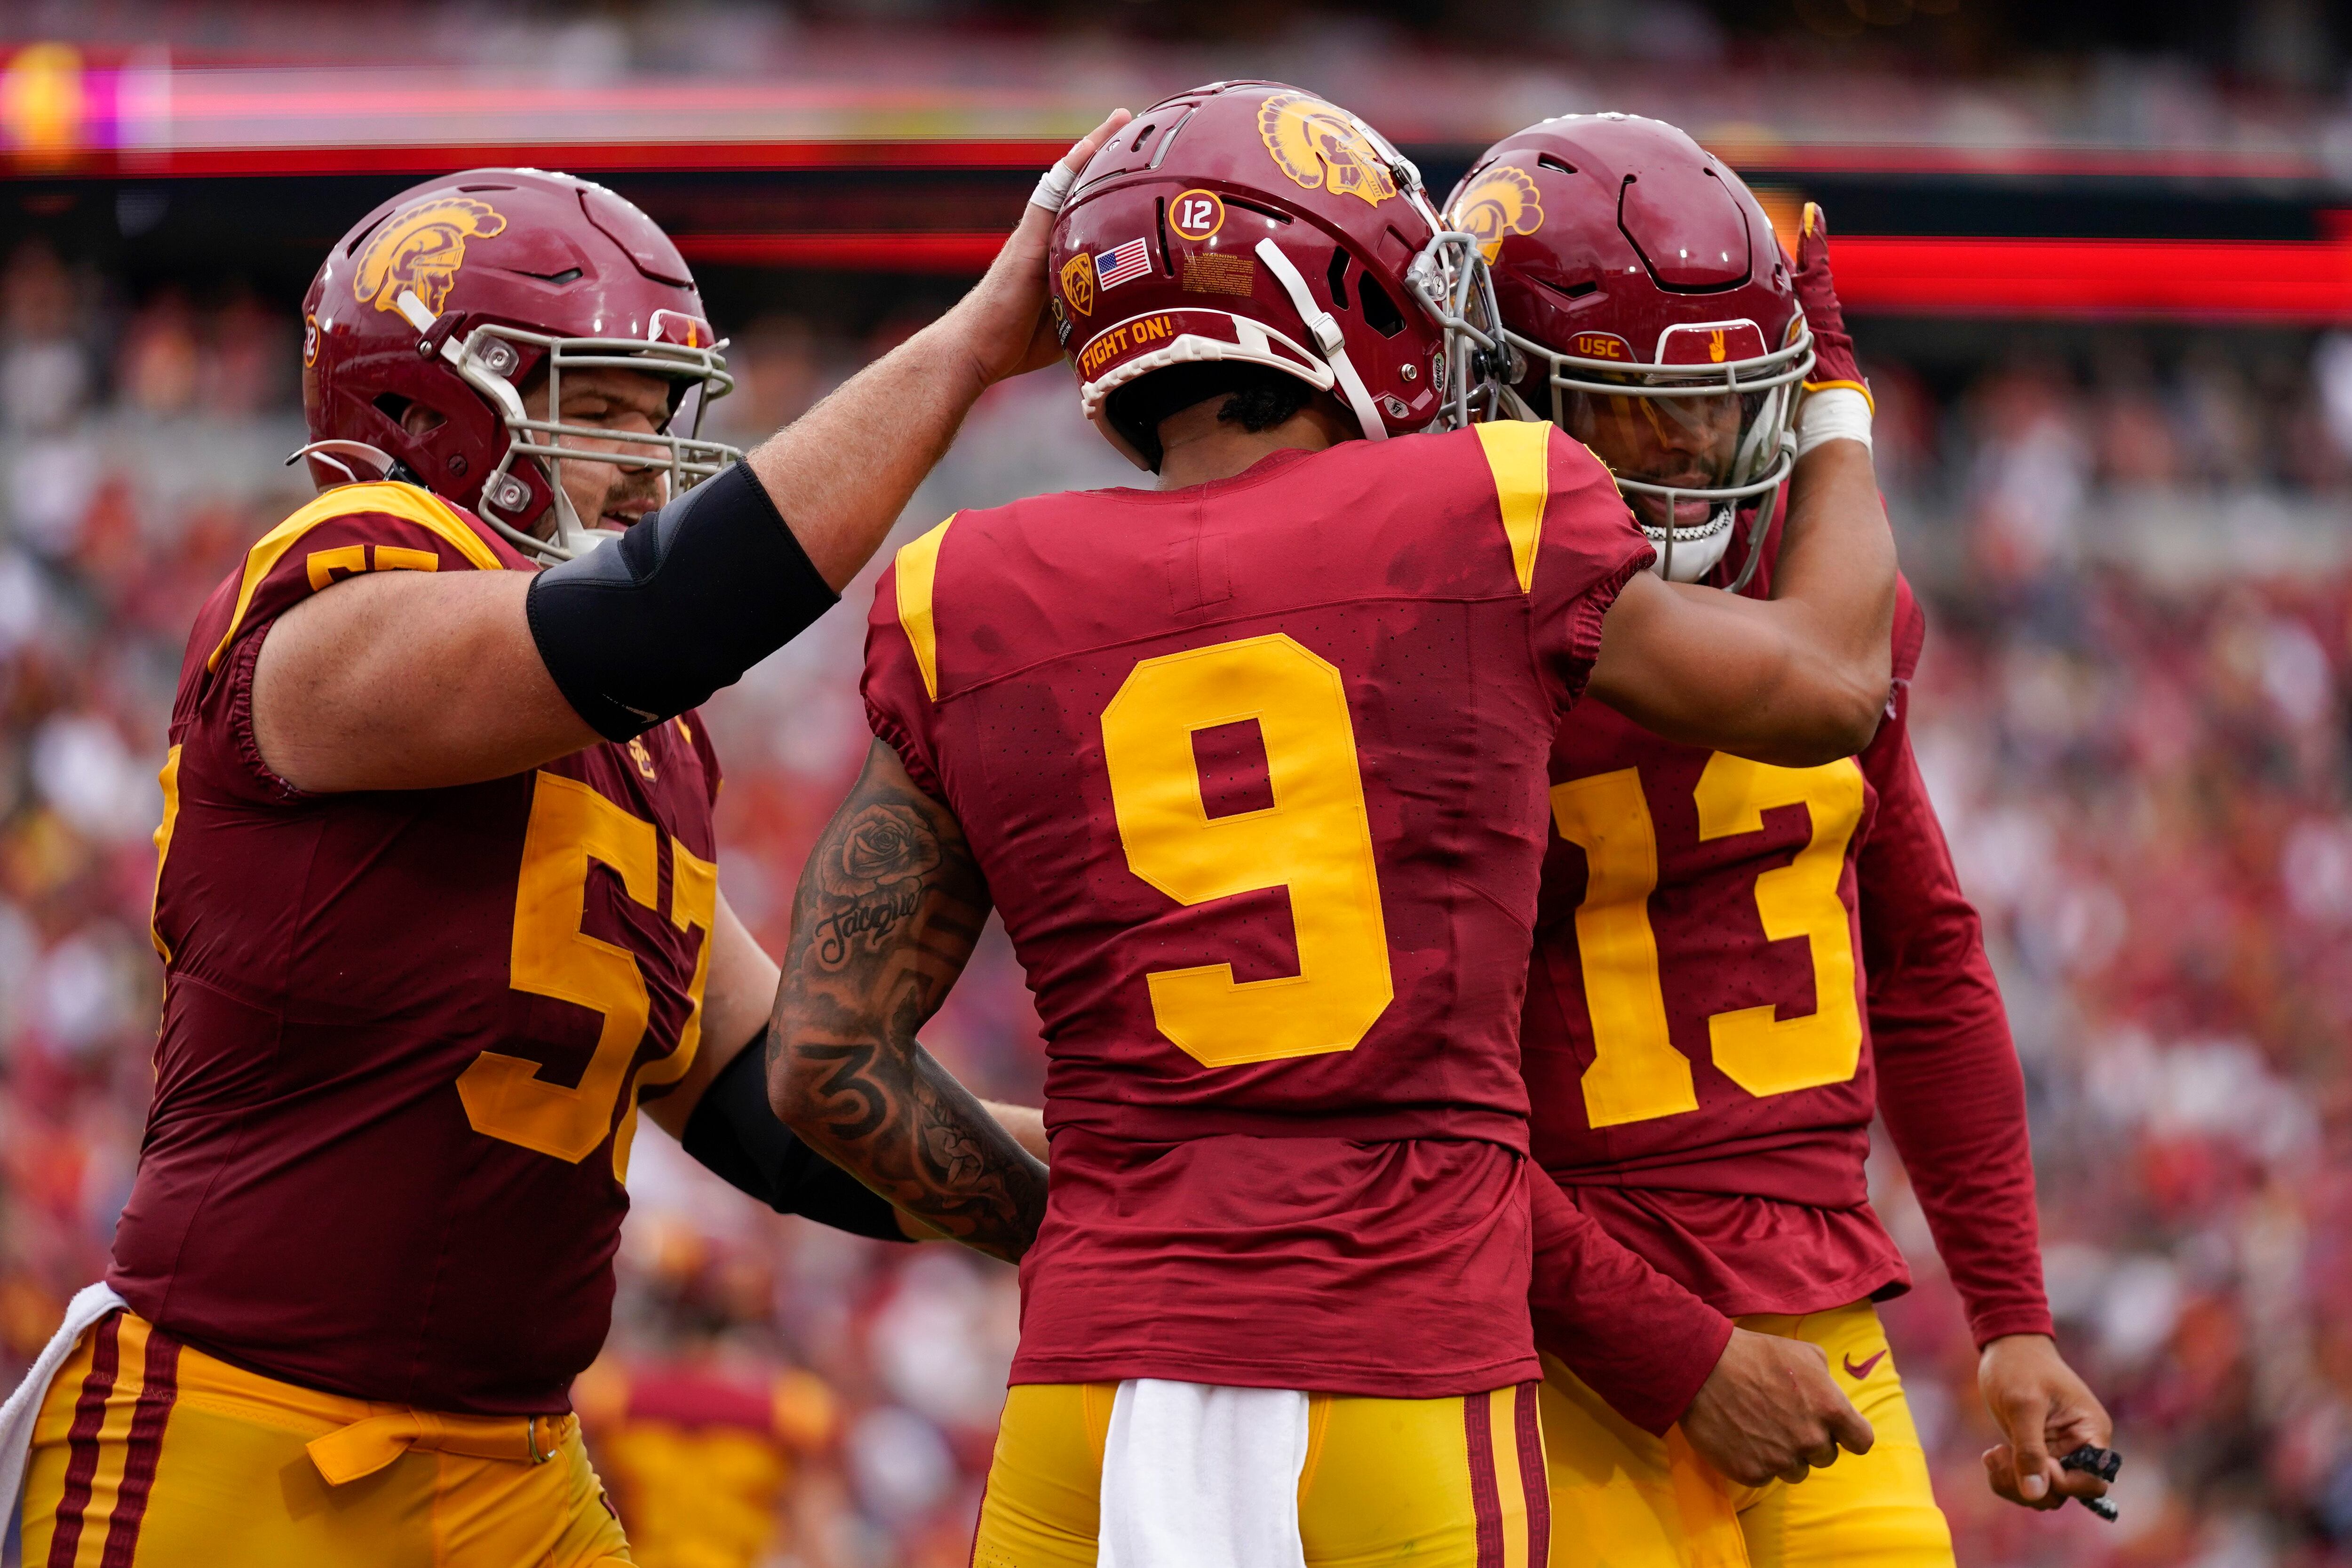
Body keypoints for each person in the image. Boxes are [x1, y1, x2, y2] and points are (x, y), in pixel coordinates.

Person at [766, 80, 1897, 1568]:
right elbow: (1826, 688)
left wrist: (1109, 1227)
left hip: (1096, 1390)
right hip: (1405, 1376)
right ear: (1357, 290)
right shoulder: (1488, 509)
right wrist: (1833, 405)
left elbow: (823, 1067)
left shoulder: (959, 587)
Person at [4, 117, 1124, 1568]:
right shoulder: (325, 597)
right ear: (431, 409)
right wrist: (969, 347)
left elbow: (796, 1109)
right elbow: (653, 619)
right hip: (249, 1436)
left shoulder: (638, 747)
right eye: (609, 405)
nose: (652, 467)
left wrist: (1140, 1188)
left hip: (513, 1463)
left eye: (665, 415)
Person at [1449, 113, 2114, 1567]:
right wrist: (1672, 1347)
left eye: (1725, 396)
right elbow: (1416, 1103)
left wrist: (2010, 1321)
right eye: (1629, 401)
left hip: (1816, 1327)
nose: (1690, 442)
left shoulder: (1825, 627)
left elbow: (1927, 964)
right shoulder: (1440, 651)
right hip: (1555, 1335)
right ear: (1499, 395)